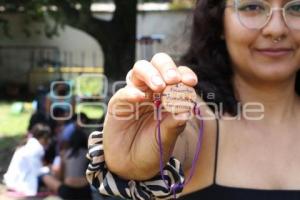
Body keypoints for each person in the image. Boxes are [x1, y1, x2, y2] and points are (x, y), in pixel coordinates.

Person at [86, 0, 300, 199]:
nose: (276, 29)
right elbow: (178, 136)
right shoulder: (198, 114)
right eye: (252, 6)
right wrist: (145, 157)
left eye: (297, 8)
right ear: (218, 21)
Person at [42, 128, 92, 200]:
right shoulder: (88, 153)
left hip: (67, 190)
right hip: (85, 190)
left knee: (45, 177)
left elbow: (59, 176)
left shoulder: (65, 154)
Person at [4, 123, 51, 196]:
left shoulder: (29, 144)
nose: (49, 141)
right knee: (47, 175)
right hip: (21, 182)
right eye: (47, 138)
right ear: (42, 138)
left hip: (13, 179)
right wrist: (48, 169)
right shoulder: (37, 148)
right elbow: (36, 171)